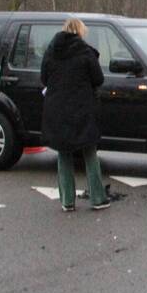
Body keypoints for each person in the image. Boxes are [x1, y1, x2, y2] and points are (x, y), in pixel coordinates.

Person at [41, 18, 109, 212]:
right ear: (80, 31)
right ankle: (97, 198)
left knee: (64, 152)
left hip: (57, 107)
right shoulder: (85, 52)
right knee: (89, 151)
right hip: (81, 108)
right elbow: (98, 78)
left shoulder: (51, 51)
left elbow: (43, 78)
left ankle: (67, 201)